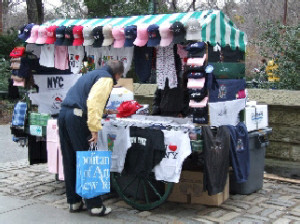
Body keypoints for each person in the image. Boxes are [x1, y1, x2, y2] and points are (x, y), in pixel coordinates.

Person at [58, 60, 124, 216]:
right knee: (86, 159)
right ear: (117, 74)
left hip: (64, 114)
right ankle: (94, 205)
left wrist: (105, 111)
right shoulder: (106, 78)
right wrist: (94, 128)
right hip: (78, 118)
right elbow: (93, 102)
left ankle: (73, 202)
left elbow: (85, 97)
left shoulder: (92, 74)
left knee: (70, 159)